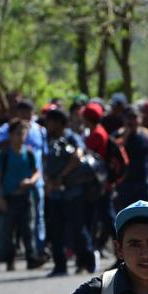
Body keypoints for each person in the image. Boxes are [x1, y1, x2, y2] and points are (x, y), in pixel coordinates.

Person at [42, 108, 97, 278]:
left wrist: (62, 176)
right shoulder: (48, 139)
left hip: (72, 192)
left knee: (77, 228)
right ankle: (60, 265)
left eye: (51, 120)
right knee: (56, 229)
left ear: (59, 122)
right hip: (55, 193)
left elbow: (77, 155)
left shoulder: (71, 136)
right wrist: (49, 181)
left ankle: (86, 261)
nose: (48, 124)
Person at [0, 122, 45, 272]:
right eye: (18, 133)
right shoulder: (4, 155)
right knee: (9, 230)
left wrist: (31, 181)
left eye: (23, 134)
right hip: (9, 197)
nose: (21, 137)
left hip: (26, 196)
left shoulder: (28, 153)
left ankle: (32, 258)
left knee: (28, 228)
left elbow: (37, 172)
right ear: (10, 135)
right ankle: (10, 259)